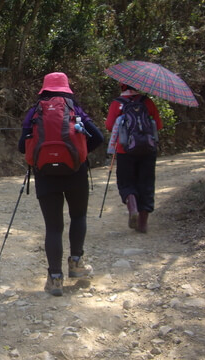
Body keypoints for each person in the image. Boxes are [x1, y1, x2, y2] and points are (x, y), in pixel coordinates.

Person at [18, 72, 104, 296]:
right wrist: (80, 153)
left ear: (44, 89)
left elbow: (21, 146)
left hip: (45, 175)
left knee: (54, 228)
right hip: (76, 172)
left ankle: (55, 278)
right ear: (66, 88)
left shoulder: (35, 111)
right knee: (78, 217)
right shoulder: (75, 109)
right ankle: (76, 264)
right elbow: (98, 137)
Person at [105, 83, 163, 234]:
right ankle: (143, 224)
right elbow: (158, 125)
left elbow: (110, 126)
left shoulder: (117, 103)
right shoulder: (147, 102)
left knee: (126, 181)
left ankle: (133, 208)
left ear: (122, 87)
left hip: (125, 150)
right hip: (148, 150)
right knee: (147, 183)